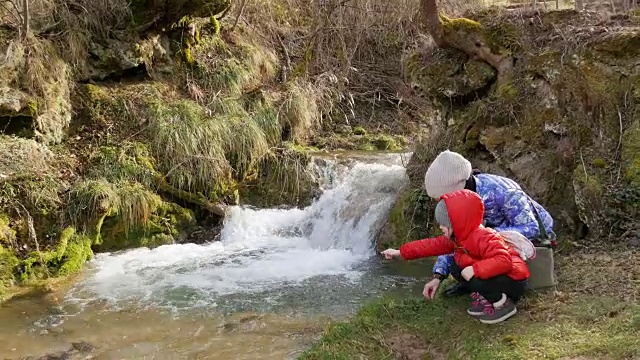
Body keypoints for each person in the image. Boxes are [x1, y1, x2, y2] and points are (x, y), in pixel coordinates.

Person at [382, 189, 530, 324]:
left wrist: (475, 269)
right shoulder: (458, 237)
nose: (440, 227)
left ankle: (502, 304)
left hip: (513, 280)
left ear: (457, 222)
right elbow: (428, 246)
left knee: (473, 275)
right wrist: (399, 252)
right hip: (497, 275)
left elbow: (504, 261)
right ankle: (486, 298)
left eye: (444, 223)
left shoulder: (484, 236)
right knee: (457, 268)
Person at [422, 150, 555, 297]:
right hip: (488, 239)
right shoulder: (457, 202)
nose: (440, 202)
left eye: (441, 197)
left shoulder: (503, 191)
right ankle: (473, 285)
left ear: (458, 187)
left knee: (481, 250)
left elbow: (531, 227)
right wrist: (438, 276)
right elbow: (455, 238)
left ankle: (499, 296)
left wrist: (487, 236)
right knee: (458, 263)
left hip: (527, 238)